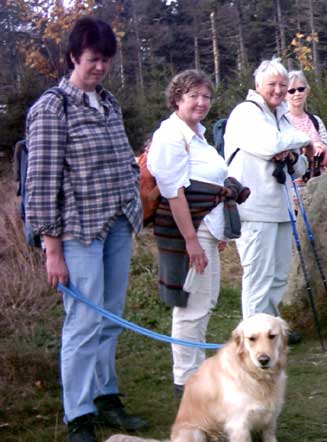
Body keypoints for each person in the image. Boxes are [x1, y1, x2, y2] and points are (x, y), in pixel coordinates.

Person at [24, 17, 146, 442]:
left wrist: (132, 204)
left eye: (105, 60)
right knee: (83, 322)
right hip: (77, 233)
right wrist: (51, 249)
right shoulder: (52, 107)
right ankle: (79, 416)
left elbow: (121, 163)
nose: (99, 67)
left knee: (109, 317)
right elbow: (41, 183)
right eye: (93, 59)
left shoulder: (108, 103)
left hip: (116, 226)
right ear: (74, 56)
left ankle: (105, 395)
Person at [147, 70, 248, 396]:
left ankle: (196, 373)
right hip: (187, 233)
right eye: (194, 96)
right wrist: (192, 242)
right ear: (178, 98)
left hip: (206, 229)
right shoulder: (171, 136)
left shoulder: (197, 135)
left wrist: (215, 231)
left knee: (205, 302)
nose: (201, 102)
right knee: (190, 306)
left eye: (206, 96)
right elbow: (173, 192)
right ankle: (186, 380)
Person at [224, 57, 310, 320]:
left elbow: (302, 166)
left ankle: (270, 329)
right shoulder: (246, 112)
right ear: (258, 84)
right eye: (272, 83)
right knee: (259, 277)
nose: (279, 90)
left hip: (281, 209)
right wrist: (303, 139)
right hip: (254, 209)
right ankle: (253, 337)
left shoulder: (281, 117)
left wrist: (293, 155)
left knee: (279, 276)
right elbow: (271, 145)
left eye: (284, 84)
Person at [285, 70, 327, 181]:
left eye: (300, 89)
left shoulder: (315, 120)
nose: (297, 93)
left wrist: (323, 151)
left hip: (317, 186)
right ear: (284, 94)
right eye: (291, 91)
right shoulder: (281, 121)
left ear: (307, 91)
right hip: (292, 186)